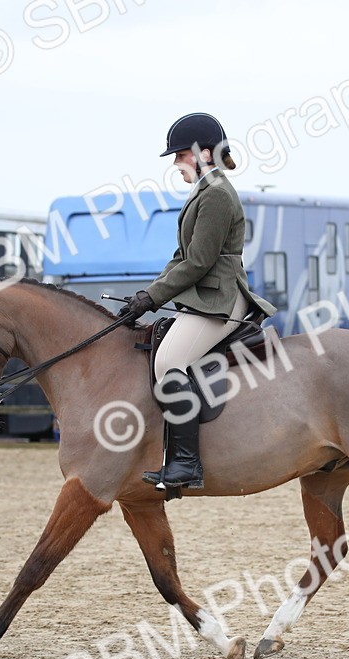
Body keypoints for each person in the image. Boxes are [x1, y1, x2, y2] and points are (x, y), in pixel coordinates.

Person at [118, 112, 276, 491]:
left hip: (220, 298)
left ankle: (185, 465)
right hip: (205, 295)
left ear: (204, 153)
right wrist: (146, 296)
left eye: (180, 156)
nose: (175, 164)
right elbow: (180, 256)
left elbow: (198, 262)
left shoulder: (218, 195)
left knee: (170, 361)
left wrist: (153, 298)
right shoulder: (205, 190)